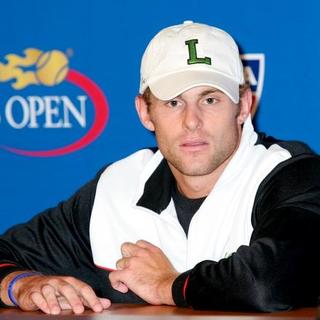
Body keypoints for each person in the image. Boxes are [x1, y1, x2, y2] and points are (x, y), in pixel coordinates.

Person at [0, 21, 319, 315]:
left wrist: (167, 284)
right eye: (173, 102)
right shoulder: (118, 187)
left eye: (210, 100)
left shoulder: (290, 174)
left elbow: (271, 282)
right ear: (145, 112)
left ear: (244, 106)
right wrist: (20, 285)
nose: (192, 121)